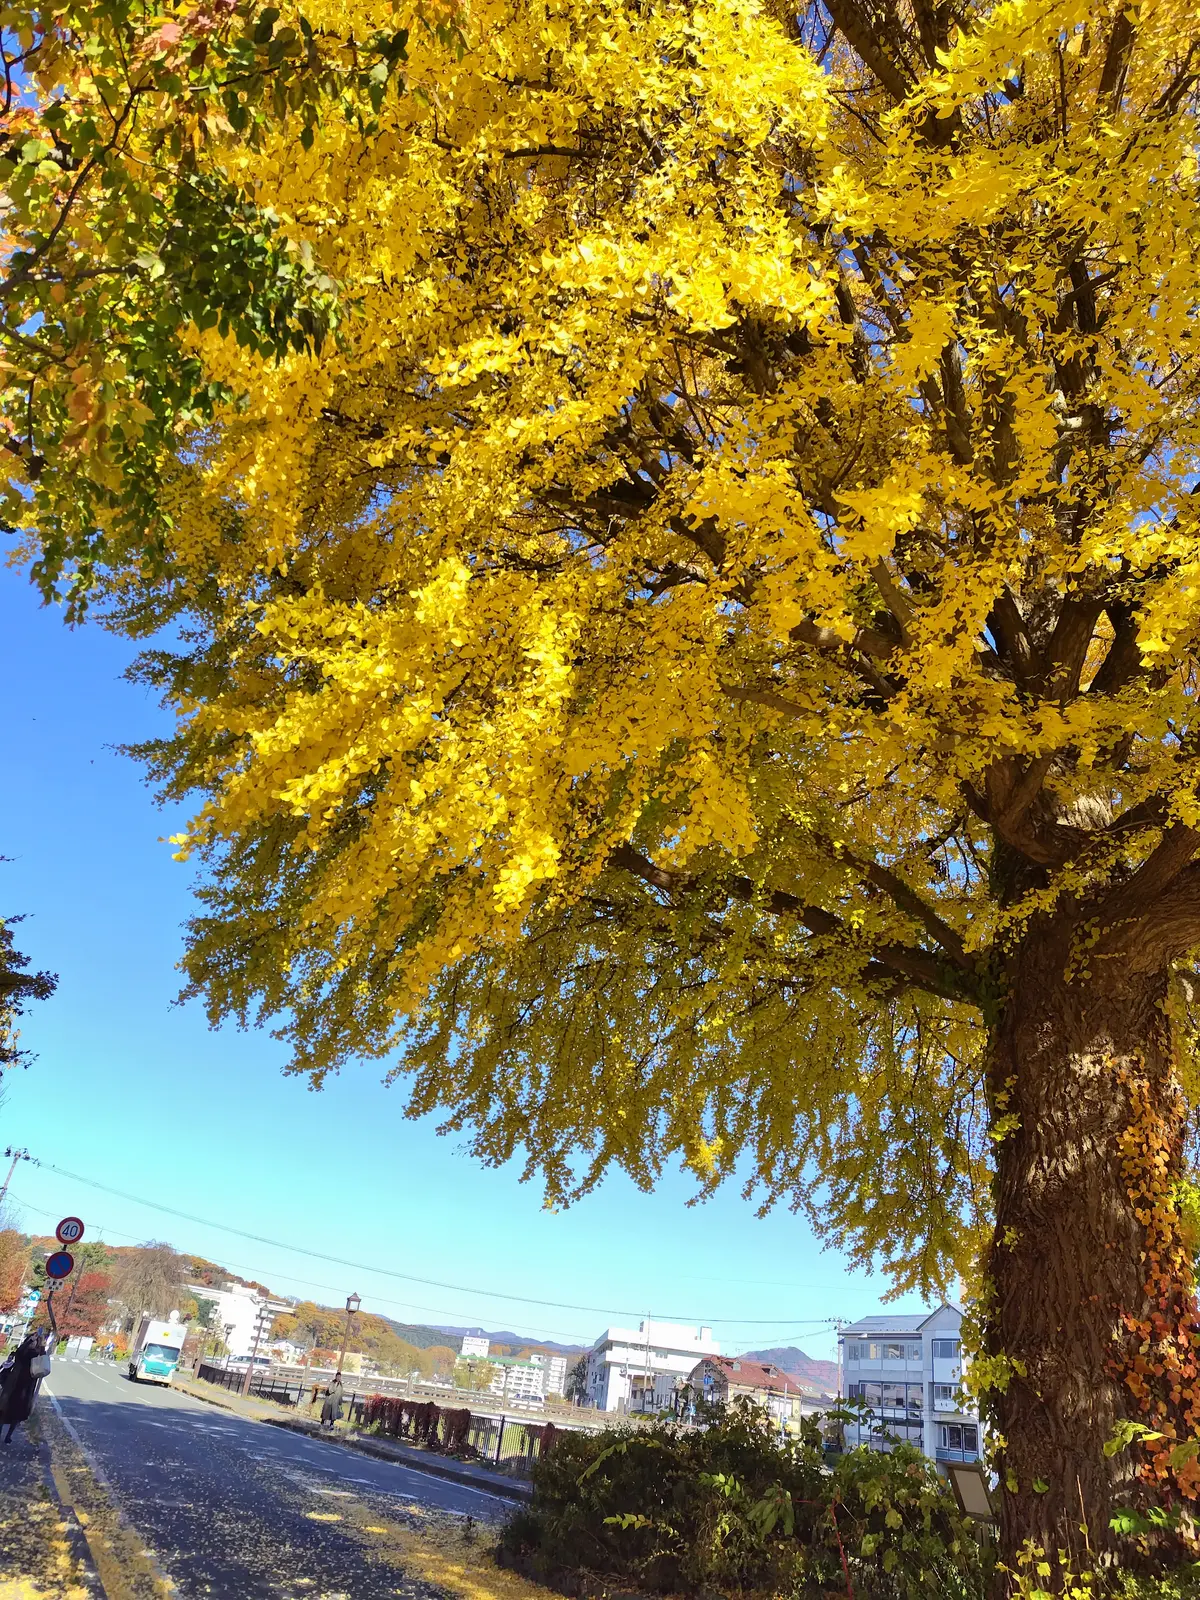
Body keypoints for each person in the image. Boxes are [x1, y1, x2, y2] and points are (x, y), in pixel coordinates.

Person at [0, 1328, 51, 1444]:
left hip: (20, 1382)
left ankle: (7, 1434)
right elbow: (24, 1353)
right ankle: (6, 1434)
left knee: (11, 1409)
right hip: (20, 1383)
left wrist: (41, 1344)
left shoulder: (31, 1350)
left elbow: (40, 1358)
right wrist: (37, 1343)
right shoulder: (29, 1350)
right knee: (10, 1410)